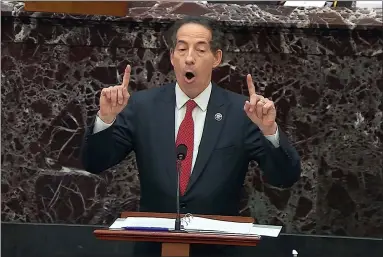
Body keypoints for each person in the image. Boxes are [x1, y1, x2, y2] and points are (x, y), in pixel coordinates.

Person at [81, 16, 301, 257]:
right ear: (172, 56)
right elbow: (95, 162)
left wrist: (269, 131)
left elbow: (284, 177)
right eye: (182, 48)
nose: (189, 58)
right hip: (154, 248)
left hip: (218, 250)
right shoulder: (142, 107)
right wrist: (106, 119)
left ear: (216, 58)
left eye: (200, 49)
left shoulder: (242, 113)